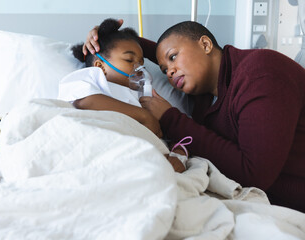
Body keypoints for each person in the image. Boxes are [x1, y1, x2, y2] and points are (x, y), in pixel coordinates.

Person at [83, 20, 305, 213]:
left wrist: (171, 118)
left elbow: (253, 173)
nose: (169, 72)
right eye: (163, 70)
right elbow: (160, 51)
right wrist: (107, 40)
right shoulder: (205, 100)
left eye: (173, 58)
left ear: (205, 44)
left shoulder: (260, 73)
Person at [58, 18, 187, 173]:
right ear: (100, 66)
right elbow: (86, 102)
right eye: (129, 60)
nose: (138, 68)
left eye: (141, 62)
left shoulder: (142, 97)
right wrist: (144, 116)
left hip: (136, 158)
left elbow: (170, 134)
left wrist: (179, 154)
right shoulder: (91, 78)